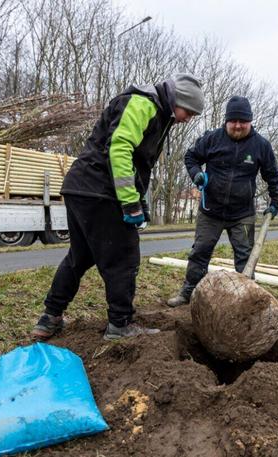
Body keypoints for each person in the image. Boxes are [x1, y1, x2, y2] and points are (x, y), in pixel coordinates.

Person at [31, 74, 205, 341]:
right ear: (176, 99)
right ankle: (120, 325)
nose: (187, 119)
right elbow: (120, 149)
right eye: (189, 112)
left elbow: (136, 163)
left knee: (80, 257)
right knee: (124, 259)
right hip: (101, 191)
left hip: (81, 188)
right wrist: (129, 201)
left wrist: (140, 198)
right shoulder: (144, 104)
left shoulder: (153, 110)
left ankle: (49, 318)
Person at [166, 95, 278, 307]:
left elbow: (272, 175)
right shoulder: (212, 139)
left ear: (250, 121)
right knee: (199, 253)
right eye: (233, 121)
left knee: (245, 258)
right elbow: (190, 157)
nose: (238, 126)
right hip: (210, 209)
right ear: (226, 121)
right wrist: (196, 174)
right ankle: (189, 292)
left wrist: (277, 200)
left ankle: (247, 299)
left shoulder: (261, 146)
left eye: (243, 121)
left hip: (242, 214)